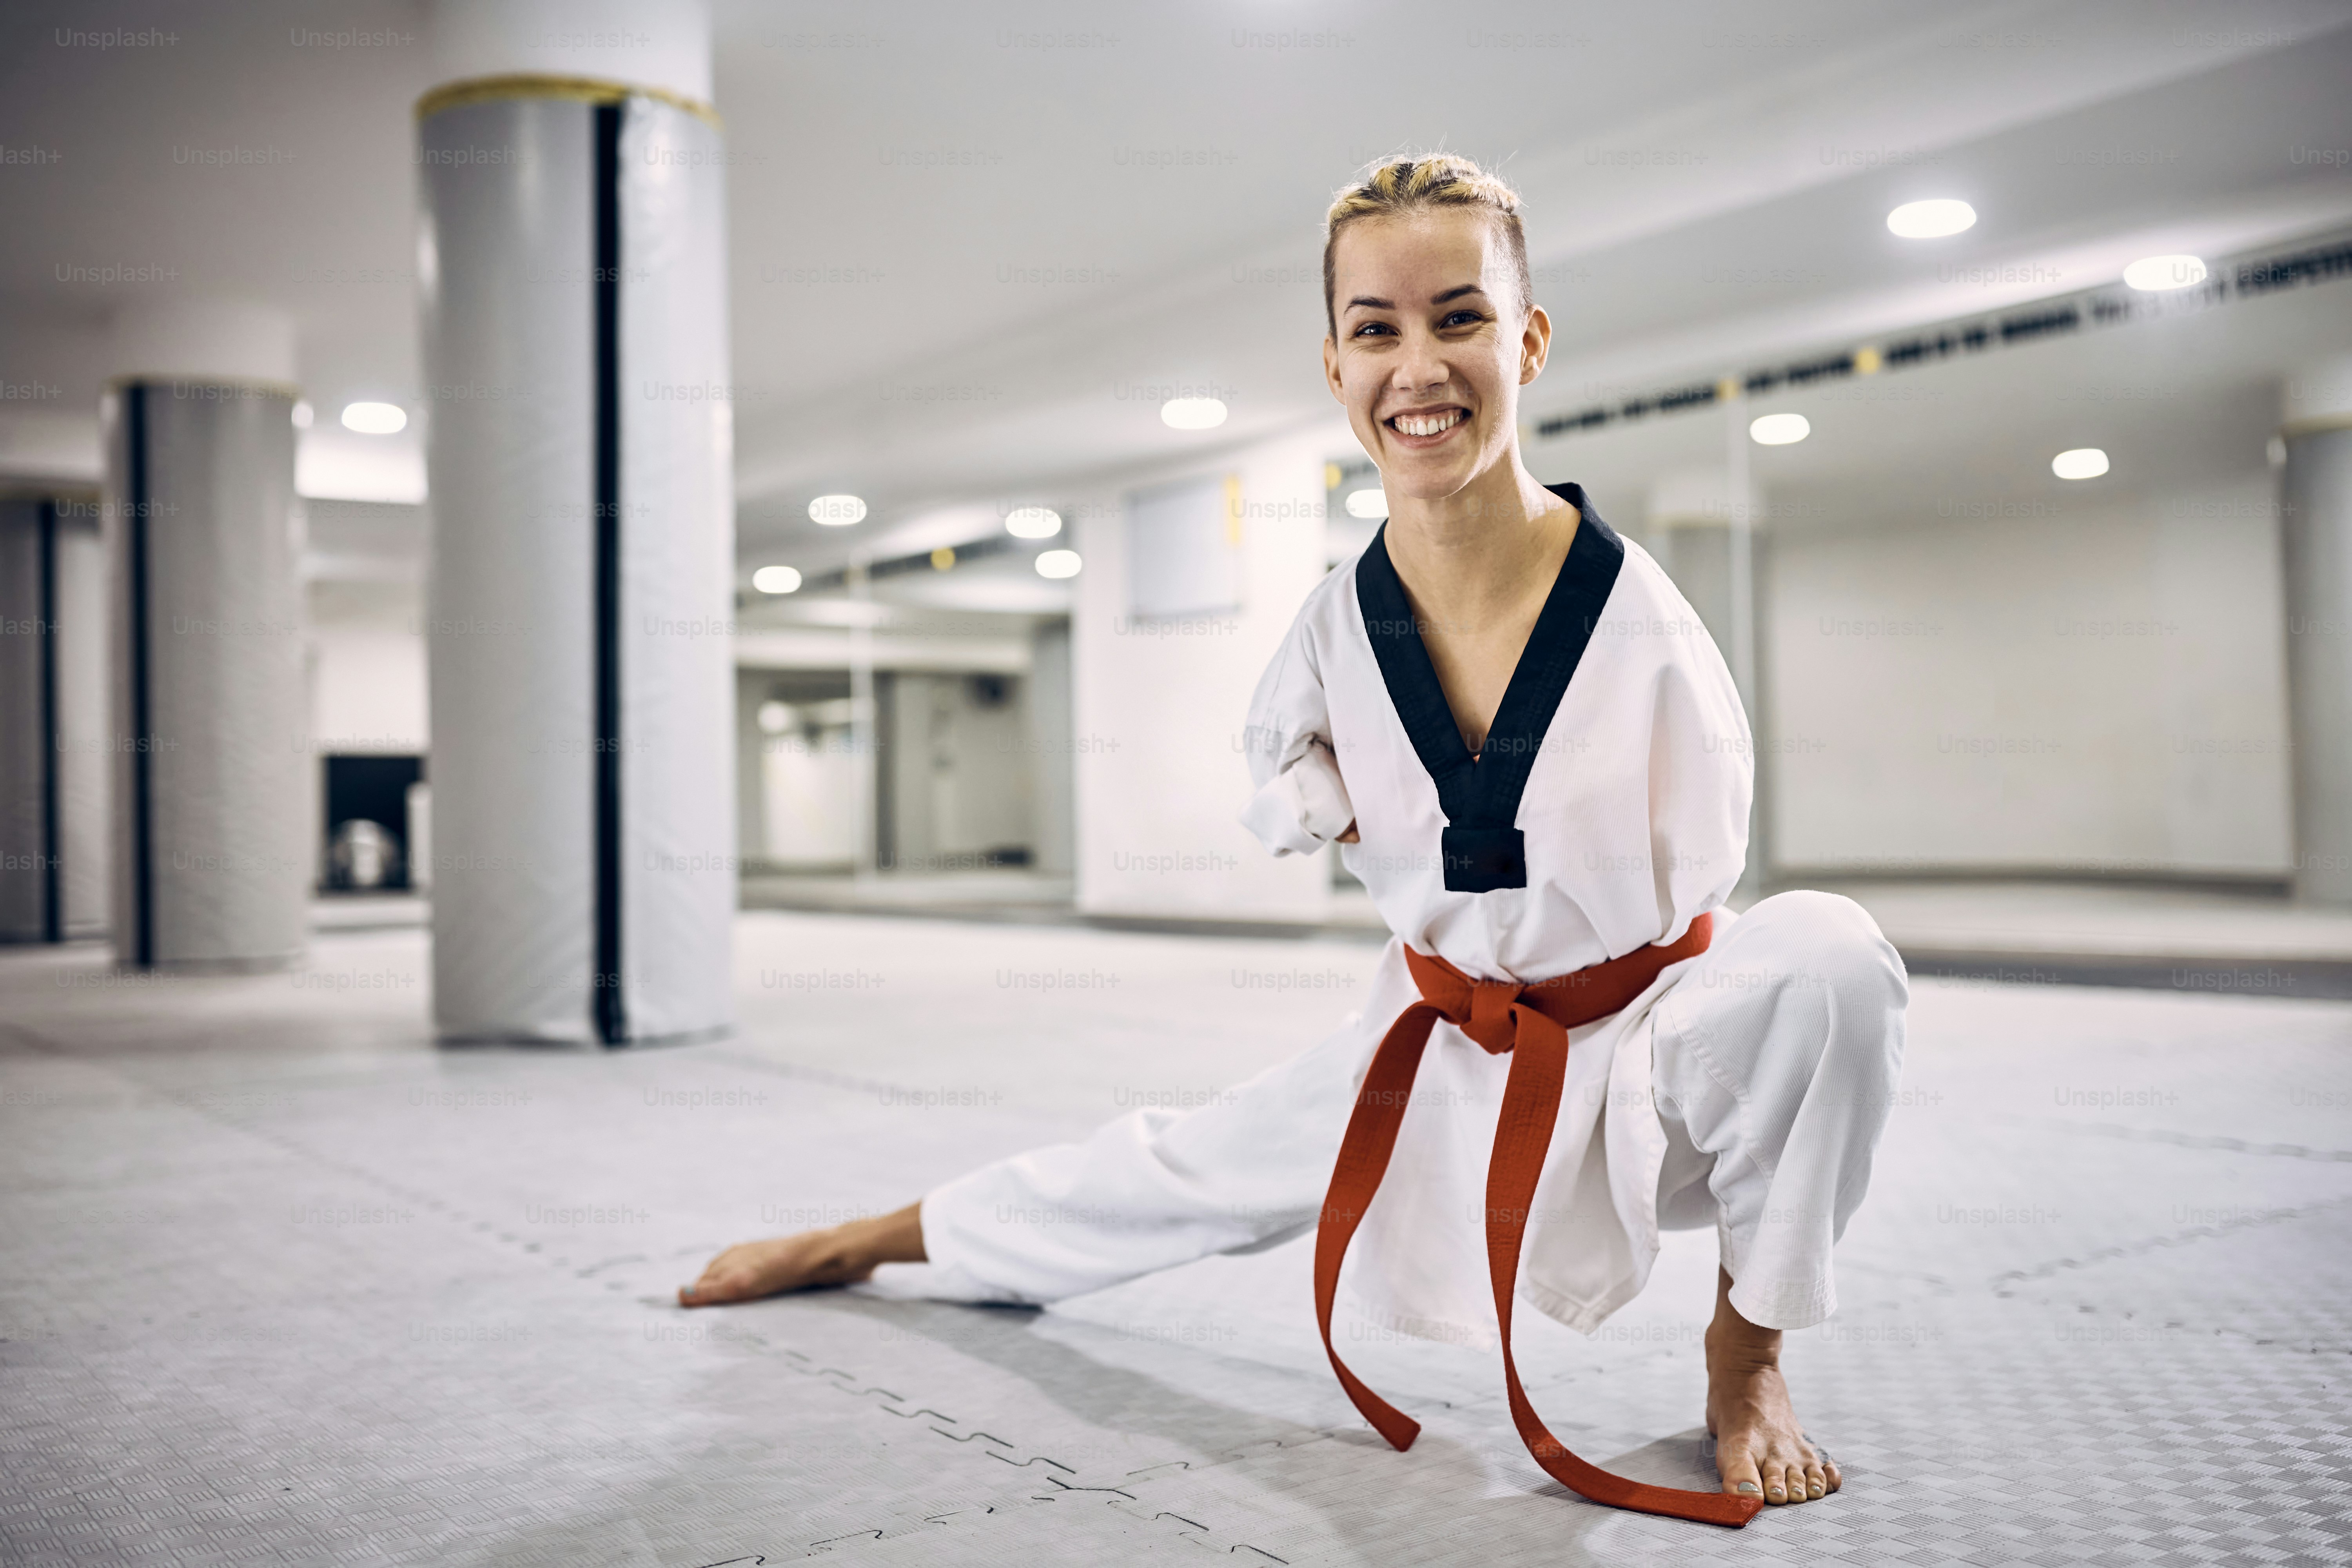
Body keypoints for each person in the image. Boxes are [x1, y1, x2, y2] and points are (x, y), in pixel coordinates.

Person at [681, 154, 1907, 1521]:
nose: (1418, 366)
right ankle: (858, 1242)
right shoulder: (1337, 620)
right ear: (1334, 365)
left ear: (1530, 339)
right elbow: (1298, 776)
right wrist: (1355, 821)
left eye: (1460, 317)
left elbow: (1700, 867)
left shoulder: (1636, 613)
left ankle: (1747, 1357)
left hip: (1653, 1063)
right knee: (1167, 1171)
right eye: (1376, 329)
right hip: (1445, 1043)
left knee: (1828, 955)